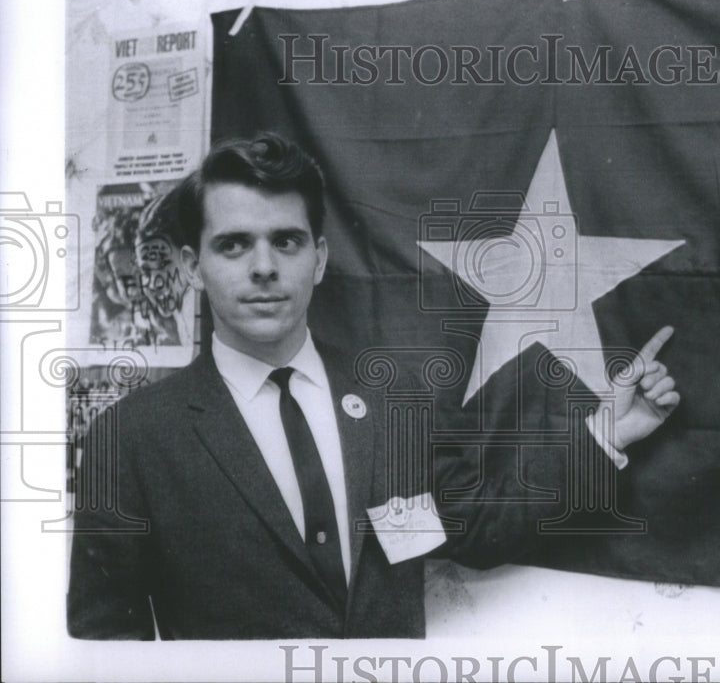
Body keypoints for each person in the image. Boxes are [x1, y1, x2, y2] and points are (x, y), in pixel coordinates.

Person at [68, 133, 680, 639]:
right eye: (233, 244)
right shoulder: (130, 437)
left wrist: (607, 433)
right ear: (189, 268)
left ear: (322, 258)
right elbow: (105, 637)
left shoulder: (394, 400)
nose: (263, 266)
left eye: (286, 240)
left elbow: (478, 524)